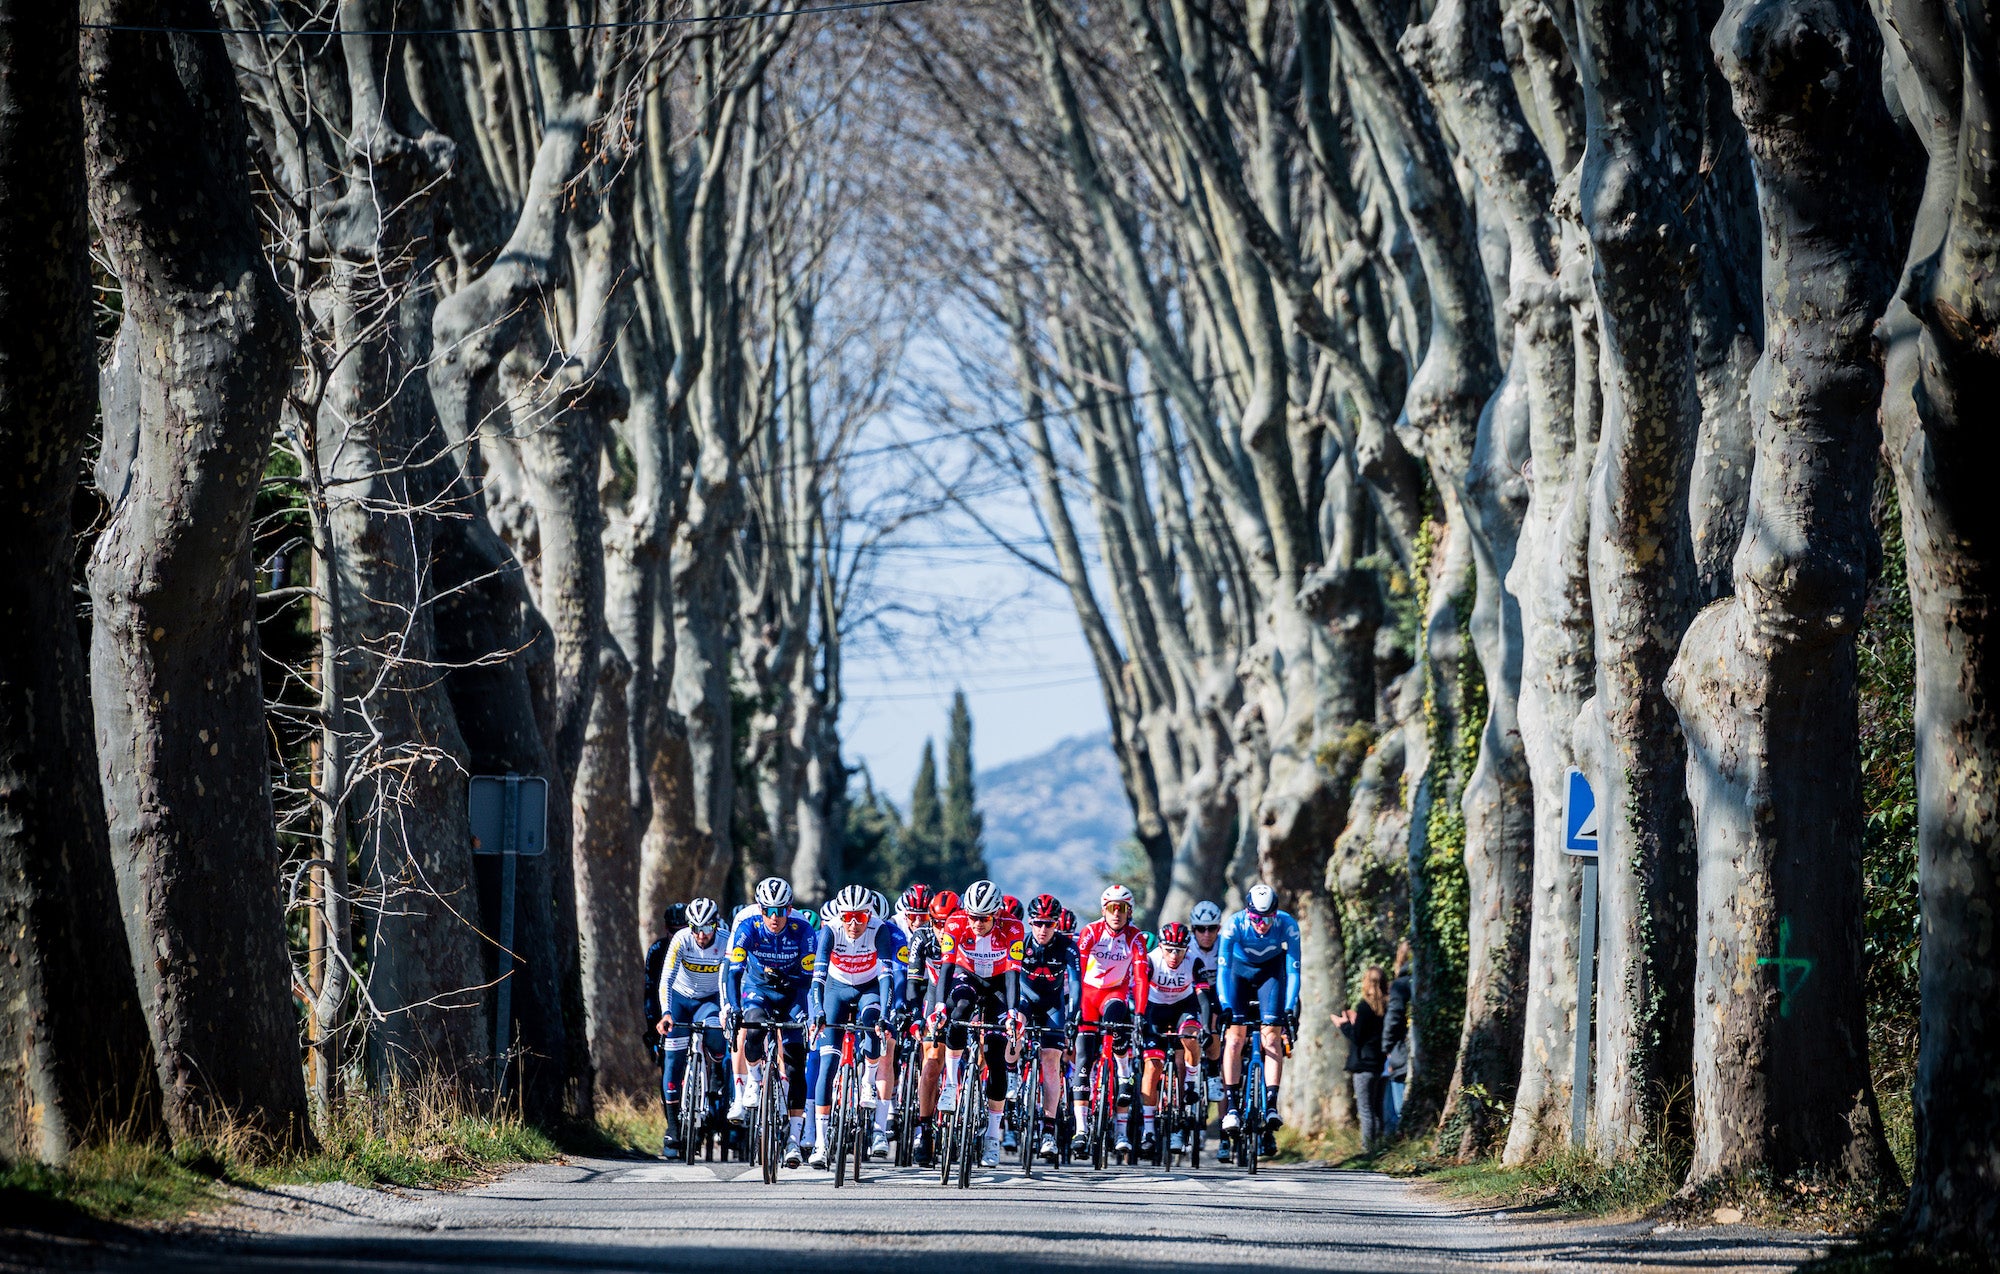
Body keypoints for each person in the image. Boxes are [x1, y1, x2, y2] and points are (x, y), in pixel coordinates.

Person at [806, 885, 907, 1167]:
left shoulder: (880, 930)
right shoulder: (830, 930)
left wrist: (886, 1014)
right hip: (836, 989)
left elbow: (887, 978)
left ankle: (868, 1081)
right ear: (840, 914)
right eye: (848, 916)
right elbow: (818, 979)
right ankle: (821, 1143)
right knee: (827, 1065)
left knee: (873, 1023)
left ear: (870, 915)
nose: (853, 924)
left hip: (868, 987)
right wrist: (817, 1012)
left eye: (860, 917)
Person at [928, 879, 1024, 1168]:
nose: (977, 923)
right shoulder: (956, 923)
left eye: (983, 918)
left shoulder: (1013, 928)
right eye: (972, 916)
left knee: (995, 1054)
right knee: (958, 1012)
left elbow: (1012, 976)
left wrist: (1011, 1013)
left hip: (997, 982)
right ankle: (952, 1083)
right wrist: (938, 1006)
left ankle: (993, 1138)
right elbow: (945, 966)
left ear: (996, 914)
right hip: (966, 975)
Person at [724, 876, 816, 1168]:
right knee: (752, 1027)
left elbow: (812, 977)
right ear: (759, 908)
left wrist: (790, 981)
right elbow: (732, 972)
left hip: (792, 994)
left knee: (795, 1060)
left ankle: (794, 1139)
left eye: (781, 911)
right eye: (768, 911)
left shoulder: (803, 930)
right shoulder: (747, 927)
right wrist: (733, 1007)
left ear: (790, 909)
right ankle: (753, 1081)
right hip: (758, 990)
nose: (774, 918)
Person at [1071, 882, 1150, 1158]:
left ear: (1130, 912)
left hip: (1114, 995)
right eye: (1112, 908)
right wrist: (1074, 1008)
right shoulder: (1090, 932)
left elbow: (1140, 978)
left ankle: (1123, 1072)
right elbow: (1077, 973)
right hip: (1088, 996)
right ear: (1104, 910)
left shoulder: (1136, 938)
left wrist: (1139, 1014)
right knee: (1083, 1059)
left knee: (1118, 1022)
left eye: (1123, 908)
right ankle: (1081, 1129)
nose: (1117, 913)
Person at [1218, 882, 1301, 1140]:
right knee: (1234, 1040)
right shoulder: (1234, 924)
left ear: (1275, 914)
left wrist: (1289, 1008)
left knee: (1272, 1039)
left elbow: (1293, 970)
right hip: (1238, 974)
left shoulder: (1287, 925)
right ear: (1247, 912)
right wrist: (1226, 1007)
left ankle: (1271, 1105)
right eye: (1256, 917)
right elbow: (1222, 970)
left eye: (1268, 918)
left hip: (1271, 974)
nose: (1262, 923)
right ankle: (1232, 1108)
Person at [655, 899, 725, 1160]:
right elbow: (667, 977)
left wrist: (728, 1009)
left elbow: (730, 978)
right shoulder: (682, 939)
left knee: (717, 1033)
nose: (701, 935)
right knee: (672, 1060)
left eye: (707, 928)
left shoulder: (725, 941)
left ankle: (717, 1066)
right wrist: (666, 1013)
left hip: (710, 1000)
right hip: (681, 999)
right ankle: (673, 1127)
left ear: (715, 925)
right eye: (695, 927)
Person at [1017, 892, 1081, 1163]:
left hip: (1053, 1006)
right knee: (1015, 1024)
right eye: (1038, 923)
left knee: (1051, 1062)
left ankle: (1048, 1130)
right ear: (1030, 923)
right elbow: (1008, 977)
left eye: (1050, 924)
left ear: (1057, 924)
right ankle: (1011, 1077)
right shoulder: (1019, 942)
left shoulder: (1067, 947)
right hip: (1024, 998)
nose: (1043, 929)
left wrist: (1073, 1019)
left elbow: (1077, 987)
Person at [1139, 922, 1210, 1155]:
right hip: (1154, 1009)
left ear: (1186, 950)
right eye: (1169, 949)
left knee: (1190, 1037)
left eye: (1179, 950)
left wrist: (1206, 1027)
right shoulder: (1151, 960)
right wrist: (1139, 1017)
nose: (1173, 955)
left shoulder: (1194, 962)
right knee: (1153, 1067)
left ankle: (1190, 1080)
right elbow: (1138, 989)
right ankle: (1148, 1129)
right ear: (1160, 947)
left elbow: (1203, 998)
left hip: (1183, 1007)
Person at [906, 887, 958, 1166]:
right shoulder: (922, 937)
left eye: (947, 922)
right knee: (931, 1059)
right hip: (934, 993)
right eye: (936, 922)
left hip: (963, 995)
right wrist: (915, 1015)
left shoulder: (966, 935)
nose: (941, 929)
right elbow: (914, 981)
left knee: (983, 1053)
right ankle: (924, 1127)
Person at [1338, 966, 1389, 1150]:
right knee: (1377, 1109)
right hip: (1380, 1064)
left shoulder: (1364, 1007)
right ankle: (1379, 1146)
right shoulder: (1387, 1007)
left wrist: (1343, 1025)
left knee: (1366, 1111)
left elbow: (1357, 1036)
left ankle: (1368, 1149)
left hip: (1363, 1065)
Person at [1187, 900, 1227, 1103]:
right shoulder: (1187, 947)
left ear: (1218, 928)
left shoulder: (1224, 944)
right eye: (1200, 929)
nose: (1206, 934)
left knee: (1212, 1024)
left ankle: (1213, 1074)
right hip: (1191, 993)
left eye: (1212, 928)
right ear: (1193, 929)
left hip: (1216, 993)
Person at [1381, 940, 1412, 1137]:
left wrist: (1386, 1046)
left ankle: (1399, 1139)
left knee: (1397, 1104)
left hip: (1401, 1050)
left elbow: (1393, 1018)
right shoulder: (1424, 981)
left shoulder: (1400, 985)